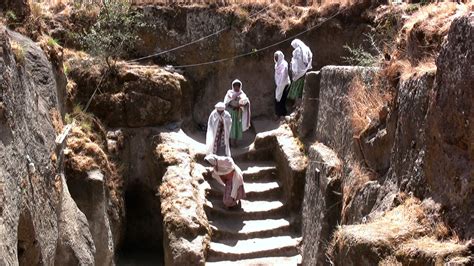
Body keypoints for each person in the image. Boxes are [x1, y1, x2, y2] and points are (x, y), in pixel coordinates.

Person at [224, 79, 251, 146]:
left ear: (240, 86)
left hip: (238, 114)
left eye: (238, 86)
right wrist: (232, 105)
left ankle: (235, 143)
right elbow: (226, 103)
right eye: (235, 86)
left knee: (237, 128)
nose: (236, 87)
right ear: (233, 86)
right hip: (231, 114)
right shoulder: (229, 93)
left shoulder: (242, 94)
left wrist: (241, 104)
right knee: (230, 128)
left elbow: (246, 101)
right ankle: (229, 143)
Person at [274, 50, 290, 120]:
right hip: (279, 85)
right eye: (275, 57)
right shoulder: (276, 65)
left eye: (277, 57)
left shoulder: (284, 64)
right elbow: (276, 76)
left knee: (282, 99)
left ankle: (283, 114)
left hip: (285, 84)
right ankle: (278, 114)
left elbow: (285, 75)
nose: (276, 59)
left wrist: (281, 83)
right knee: (277, 99)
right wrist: (278, 83)